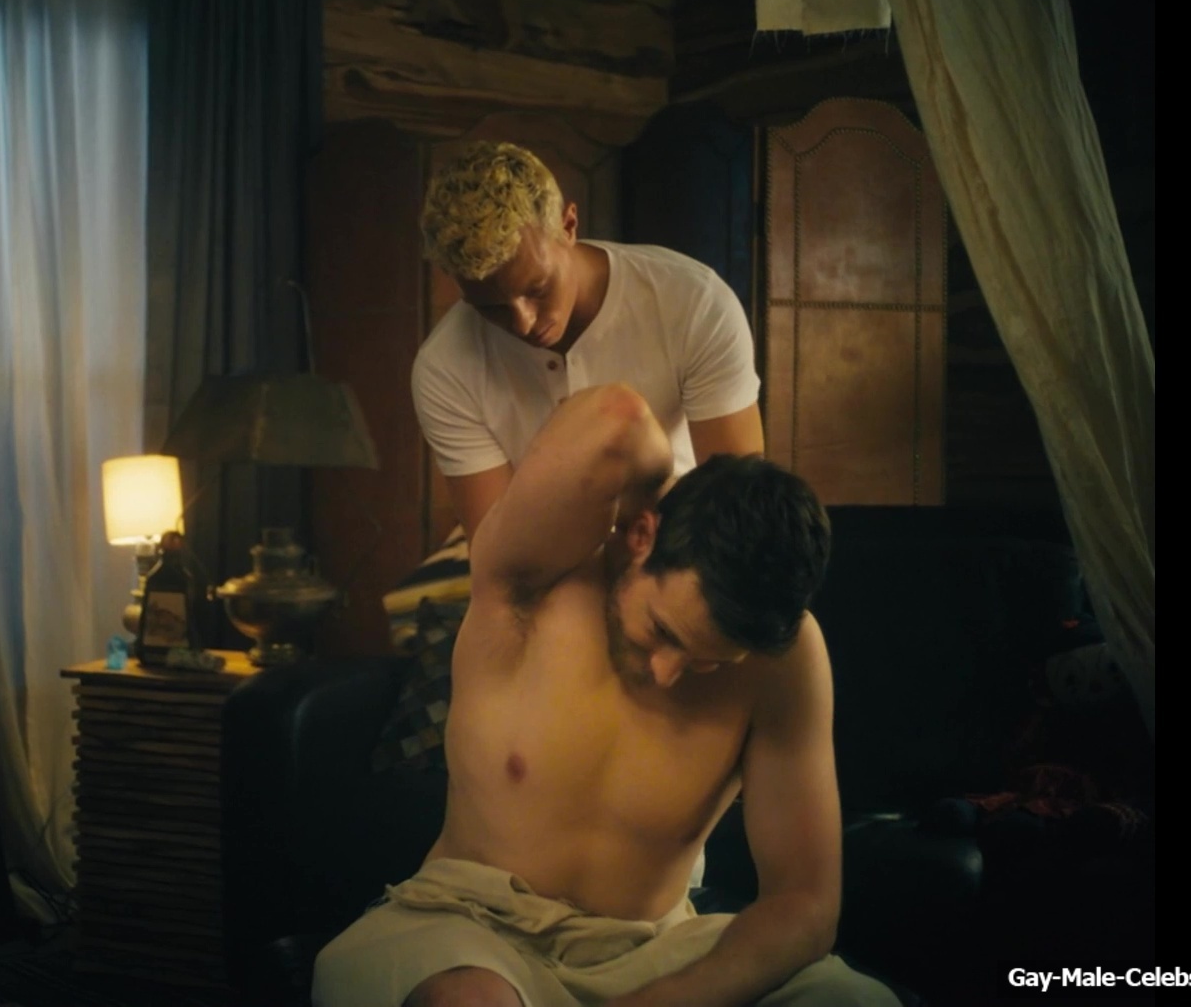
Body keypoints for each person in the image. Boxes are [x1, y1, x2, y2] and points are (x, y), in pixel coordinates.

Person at [313, 383, 899, 1007]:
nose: (669, 673)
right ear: (642, 535)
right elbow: (615, 416)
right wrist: (662, 490)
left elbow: (804, 902)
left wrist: (667, 1000)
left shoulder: (785, 659)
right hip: (467, 929)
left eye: (708, 663)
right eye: (664, 632)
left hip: (651, 948)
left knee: (857, 1002)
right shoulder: (527, 581)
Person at [413, 141, 764, 543]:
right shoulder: (445, 367)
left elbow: (738, 511)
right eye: (491, 308)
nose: (523, 323)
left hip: (687, 542)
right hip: (544, 558)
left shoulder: (694, 303)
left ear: (568, 226)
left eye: (538, 288)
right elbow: (500, 552)